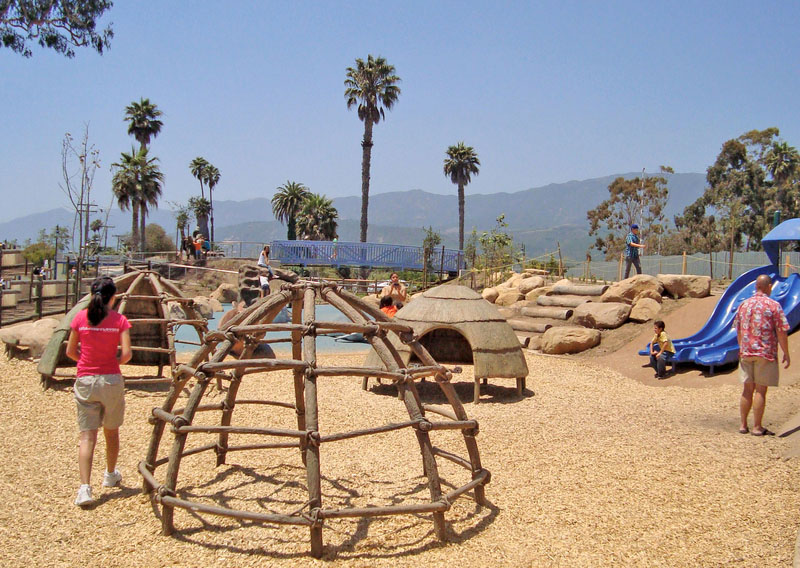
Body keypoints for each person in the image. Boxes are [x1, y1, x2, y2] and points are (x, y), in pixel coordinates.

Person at [66, 276, 132, 507]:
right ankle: (110, 474)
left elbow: (70, 351)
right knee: (111, 431)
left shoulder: (80, 318)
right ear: (112, 298)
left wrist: (86, 362)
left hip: (85, 380)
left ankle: (84, 488)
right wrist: (111, 364)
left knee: (87, 436)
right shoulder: (119, 320)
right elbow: (126, 354)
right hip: (111, 381)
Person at [733, 274, 790, 436]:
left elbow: (738, 329)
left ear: (756, 286)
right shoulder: (773, 306)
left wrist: (741, 347)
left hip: (746, 351)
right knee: (760, 390)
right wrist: (786, 352)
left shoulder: (744, 305)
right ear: (769, 287)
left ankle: (743, 425)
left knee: (747, 389)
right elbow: (781, 331)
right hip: (765, 353)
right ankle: (757, 426)